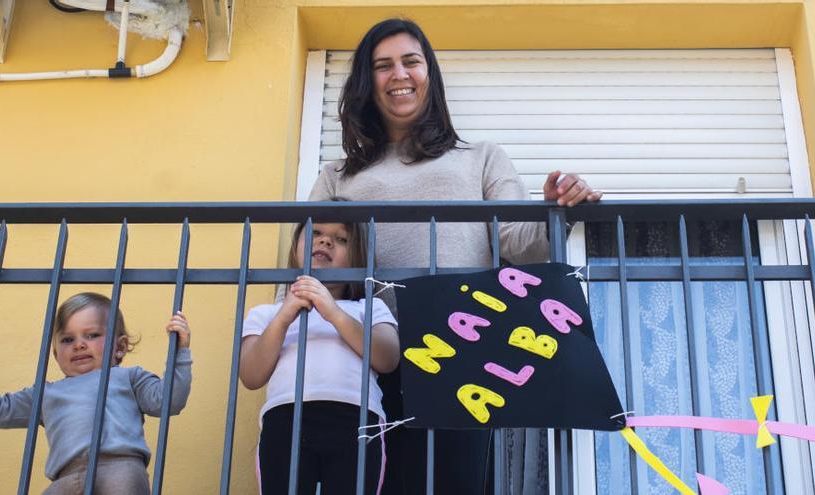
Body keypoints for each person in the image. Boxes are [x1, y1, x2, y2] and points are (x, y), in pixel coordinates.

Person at [308, 18, 603, 494]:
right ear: (368, 82)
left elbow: (518, 242)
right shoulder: (336, 176)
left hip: (457, 352)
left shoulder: (481, 157)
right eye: (383, 66)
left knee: (455, 483)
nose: (398, 74)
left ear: (430, 74)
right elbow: (312, 258)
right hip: (361, 354)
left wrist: (558, 211)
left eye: (411, 61)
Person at [0, 292, 192, 495]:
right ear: (56, 354)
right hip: (65, 478)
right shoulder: (46, 392)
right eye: (67, 339)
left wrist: (180, 352)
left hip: (119, 468)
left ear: (120, 347)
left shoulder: (130, 377)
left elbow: (168, 401)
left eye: (92, 335)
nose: (79, 345)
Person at [240, 219, 400, 495]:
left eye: (342, 239)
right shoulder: (266, 313)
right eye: (316, 233)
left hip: (357, 420)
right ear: (295, 247)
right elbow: (251, 375)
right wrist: (284, 317)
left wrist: (333, 312)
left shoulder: (369, 307)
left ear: (357, 259)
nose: (326, 241)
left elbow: (387, 358)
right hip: (286, 418)